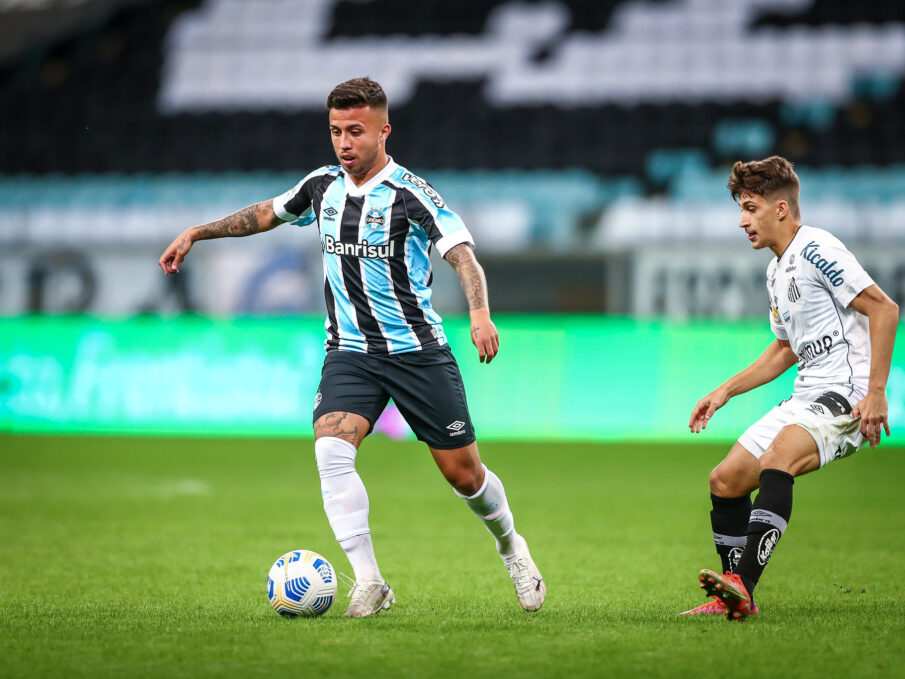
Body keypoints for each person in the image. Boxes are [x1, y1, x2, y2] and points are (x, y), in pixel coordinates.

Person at [158, 77, 545, 617]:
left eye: (356, 131)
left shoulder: (412, 194)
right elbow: (267, 213)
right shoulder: (322, 186)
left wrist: (479, 312)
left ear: (384, 131)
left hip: (417, 353)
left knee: (465, 475)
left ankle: (512, 547)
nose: (344, 142)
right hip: (350, 353)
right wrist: (198, 232)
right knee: (330, 450)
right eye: (337, 130)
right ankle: (369, 581)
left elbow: (461, 254)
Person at [682, 156, 899, 621]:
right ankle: (731, 597)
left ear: (781, 209)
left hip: (847, 394)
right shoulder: (776, 270)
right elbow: (784, 350)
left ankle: (743, 585)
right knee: (725, 479)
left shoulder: (817, 248)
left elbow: (885, 310)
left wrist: (876, 392)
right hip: (806, 397)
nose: (742, 221)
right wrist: (724, 392)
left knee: (779, 456)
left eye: (750, 208)